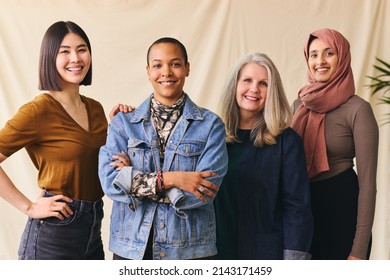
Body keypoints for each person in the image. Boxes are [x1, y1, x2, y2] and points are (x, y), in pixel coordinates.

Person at [98, 37, 228, 260]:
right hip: (132, 249)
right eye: (158, 65)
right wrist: (174, 179)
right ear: (148, 71)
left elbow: (203, 192)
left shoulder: (211, 126)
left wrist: (134, 180)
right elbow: (111, 182)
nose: (166, 72)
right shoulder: (123, 124)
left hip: (189, 251)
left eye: (175, 64)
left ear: (187, 68)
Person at [0, 21, 107, 259]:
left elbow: (102, 164)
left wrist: (123, 124)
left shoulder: (97, 110)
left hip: (93, 229)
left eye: (81, 49)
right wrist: (28, 207)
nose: (76, 58)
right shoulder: (38, 111)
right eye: (64, 51)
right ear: (50, 57)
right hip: (54, 233)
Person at [214, 53, 313, 260]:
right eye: (247, 80)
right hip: (216, 252)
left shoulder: (287, 141)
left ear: (272, 91)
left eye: (263, 84)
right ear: (235, 85)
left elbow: (297, 208)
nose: (254, 89)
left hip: (267, 254)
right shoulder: (213, 136)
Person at [291, 28, 379, 260]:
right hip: (303, 212)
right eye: (313, 54)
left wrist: (359, 249)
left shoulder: (358, 109)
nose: (320, 61)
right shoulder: (298, 106)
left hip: (342, 211)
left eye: (329, 53)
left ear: (342, 57)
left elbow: (368, 184)